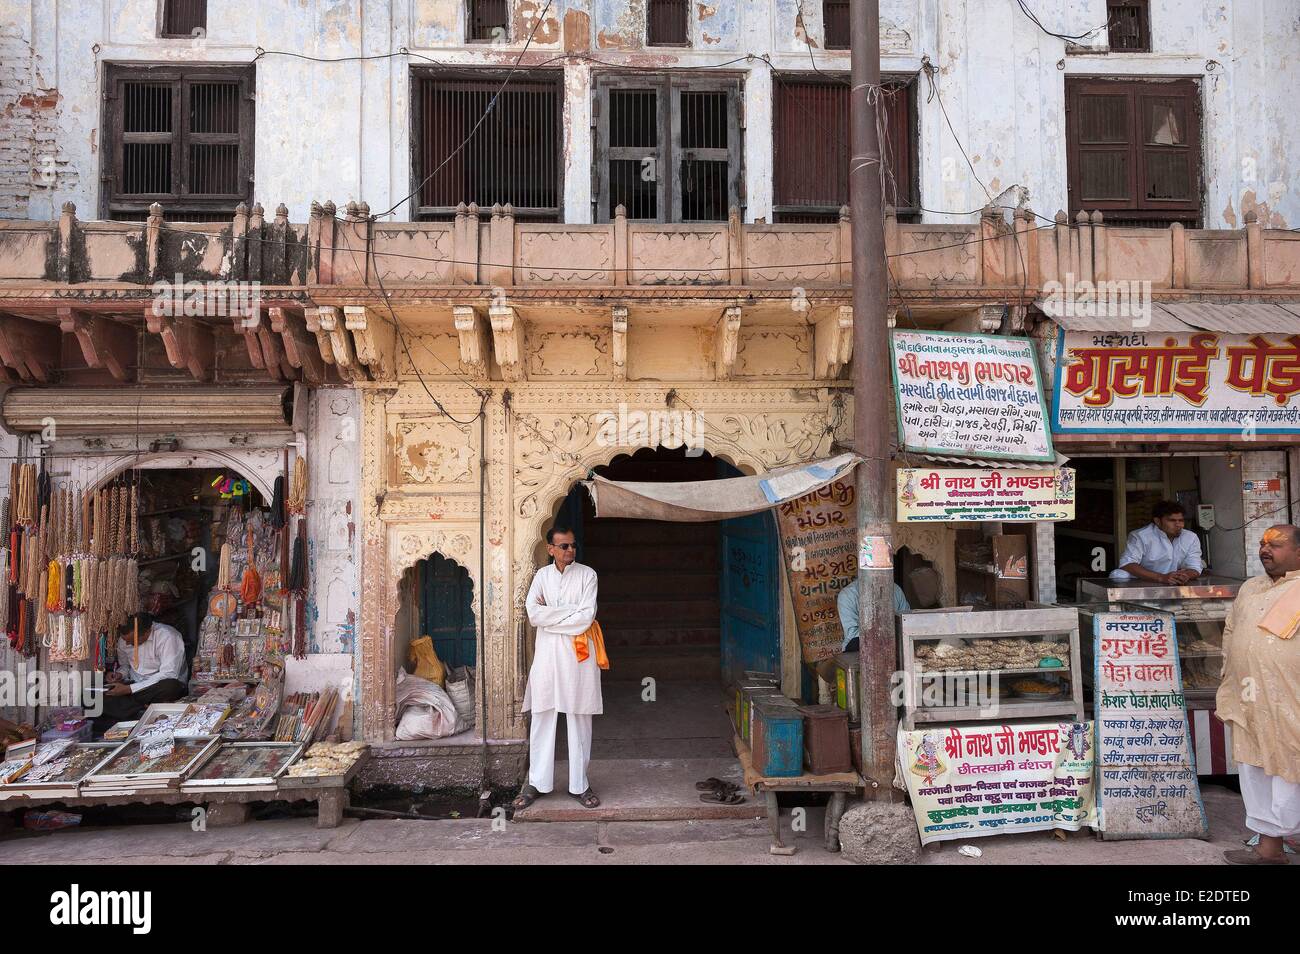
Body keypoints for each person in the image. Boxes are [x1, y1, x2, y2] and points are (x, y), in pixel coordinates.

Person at [1218, 525, 1300, 865]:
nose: (1266, 550)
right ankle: (1270, 851)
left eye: (1276, 545)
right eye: (1263, 544)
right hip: (1250, 698)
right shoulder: (1251, 587)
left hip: (1292, 700)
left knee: (1291, 767)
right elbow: (1231, 633)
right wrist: (1228, 683)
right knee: (1255, 769)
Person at [511, 525, 602, 811]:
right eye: (564, 546)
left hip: (579, 658)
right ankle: (536, 782)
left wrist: (552, 613)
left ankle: (580, 784)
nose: (570, 551)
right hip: (548, 658)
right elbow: (533, 615)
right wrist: (566, 612)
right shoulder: (541, 576)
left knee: (579, 719)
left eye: (573, 545)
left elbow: (585, 618)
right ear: (551, 549)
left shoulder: (588, 575)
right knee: (543, 716)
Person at [91, 612, 188, 736]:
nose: (127, 644)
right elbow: (125, 666)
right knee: (93, 696)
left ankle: (132, 708)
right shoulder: (124, 640)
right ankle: (144, 706)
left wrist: (128, 690)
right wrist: (119, 675)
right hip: (136, 687)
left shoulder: (168, 636)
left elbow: (169, 673)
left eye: (132, 641)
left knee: (170, 686)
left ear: (147, 632)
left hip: (158, 686)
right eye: (125, 640)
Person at [1109, 500, 1203, 584]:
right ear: (1157, 521)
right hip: (1144, 580)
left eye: (1181, 520)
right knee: (1119, 574)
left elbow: (1195, 567)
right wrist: (1161, 578)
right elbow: (1127, 564)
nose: (1178, 525)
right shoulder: (1141, 536)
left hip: (1174, 581)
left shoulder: (1190, 537)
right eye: (1172, 520)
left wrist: (1186, 576)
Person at [837, 579, 911, 652]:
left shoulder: (895, 589)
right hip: (858, 649)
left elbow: (907, 622)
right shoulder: (848, 595)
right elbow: (853, 635)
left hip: (894, 647)